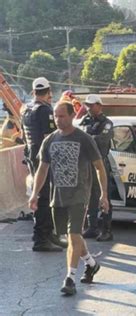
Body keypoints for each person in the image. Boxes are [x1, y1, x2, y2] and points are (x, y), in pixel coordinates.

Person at [28, 101, 109, 296]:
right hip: (58, 197)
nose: (58, 119)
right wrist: (34, 194)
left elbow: (99, 167)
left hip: (79, 195)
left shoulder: (84, 139)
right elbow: (42, 169)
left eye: (62, 115)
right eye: (56, 116)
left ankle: (70, 278)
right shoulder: (50, 141)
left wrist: (104, 195)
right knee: (72, 236)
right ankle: (91, 263)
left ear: (72, 116)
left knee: (74, 236)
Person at [21, 77, 64, 252]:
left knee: (43, 195)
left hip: (32, 155)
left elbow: (25, 136)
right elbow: (50, 137)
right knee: (44, 197)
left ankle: (49, 234)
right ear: (48, 92)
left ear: (33, 91)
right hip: (44, 158)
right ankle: (41, 238)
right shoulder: (44, 110)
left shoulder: (26, 109)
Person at [79, 94, 114, 241]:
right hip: (87, 163)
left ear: (99, 106)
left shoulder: (107, 123)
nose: (89, 108)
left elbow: (101, 140)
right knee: (90, 196)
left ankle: (106, 230)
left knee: (103, 196)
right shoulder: (85, 120)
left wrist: (87, 138)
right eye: (87, 105)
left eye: (91, 105)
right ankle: (91, 227)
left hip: (100, 163)